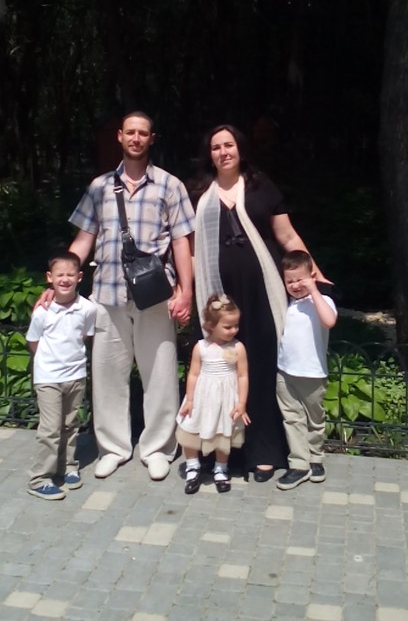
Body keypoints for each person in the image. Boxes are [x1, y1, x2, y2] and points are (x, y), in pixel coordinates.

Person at [39, 112, 195, 482]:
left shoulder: (170, 185)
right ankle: (113, 448)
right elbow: (84, 240)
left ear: (151, 138)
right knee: (108, 375)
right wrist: (60, 280)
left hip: (155, 294)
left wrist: (186, 292)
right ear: (120, 137)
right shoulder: (99, 187)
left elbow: (181, 242)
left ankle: (158, 448)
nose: (136, 138)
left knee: (160, 374)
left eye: (143, 133)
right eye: (130, 132)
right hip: (107, 293)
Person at [192, 124, 330, 481]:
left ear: (240, 149)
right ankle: (225, 451)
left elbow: (287, 235)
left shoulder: (260, 186)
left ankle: (264, 450)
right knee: (221, 368)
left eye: (229, 145)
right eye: (216, 147)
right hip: (219, 295)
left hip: (263, 293)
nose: (223, 152)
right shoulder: (199, 193)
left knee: (263, 364)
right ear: (209, 154)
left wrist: (313, 271)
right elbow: (190, 248)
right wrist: (183, 290)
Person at [27, 251, 96, 500]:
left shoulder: (87, 308)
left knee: (70, 424)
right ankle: (40, 479)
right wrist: (49, 362)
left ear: (80, 277)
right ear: (50, 277)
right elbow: (33, 341)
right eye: (59, 275)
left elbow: (84, 336)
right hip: (48, 378)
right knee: (50, 428)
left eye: (70, 274)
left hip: (75, 375)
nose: (65, 279)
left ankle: (67, 466)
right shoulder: (42, 311)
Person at [176, 293, 250, 494]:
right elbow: (193, 374)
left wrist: (241, 403)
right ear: (210, 325)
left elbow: (242, 376)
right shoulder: (201, 347)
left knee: (222, 432)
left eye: (236, 326)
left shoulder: (238, 347)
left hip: (226, 398)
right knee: (191, 428)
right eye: (228, 327)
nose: (233, 330)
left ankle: (221, 468)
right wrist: (190, 399)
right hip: (202, 397)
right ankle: (193, 466)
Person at [276, 250, 337, 490]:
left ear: (311, 276)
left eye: (300, 279)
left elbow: (329, 321)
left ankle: (316, 458)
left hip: (312, 374)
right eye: (289, 281)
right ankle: (299, 464)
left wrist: (314, 290)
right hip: (285, 372)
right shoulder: (287, 304)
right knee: (292, 418)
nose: (295, 285)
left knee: (315, 419)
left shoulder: (321, 301)